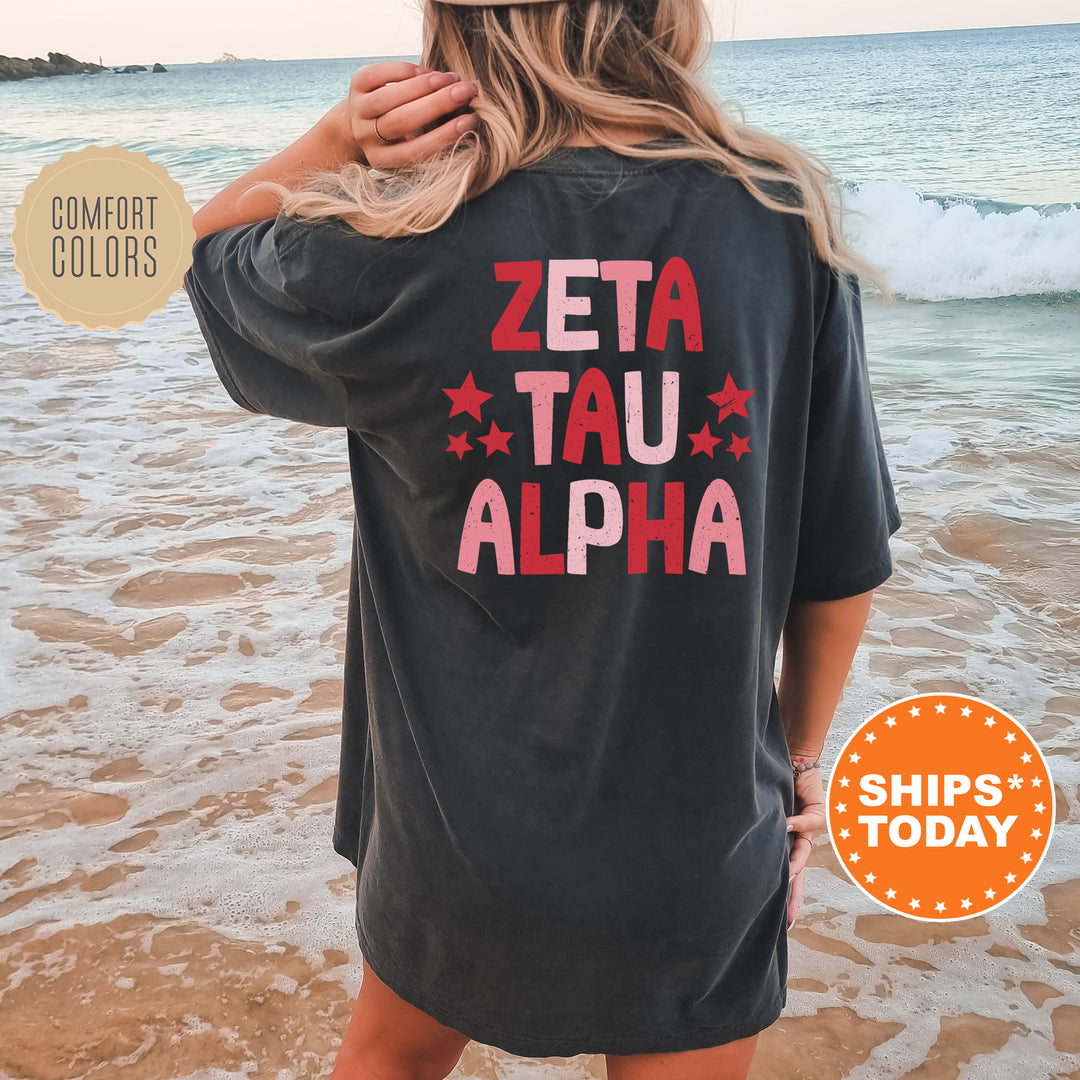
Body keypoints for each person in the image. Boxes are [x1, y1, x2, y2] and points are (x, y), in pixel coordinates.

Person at [182, 1, 903, 1077]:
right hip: (698, 835)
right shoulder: (780, 219)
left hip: (455, 836)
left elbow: (203, 252)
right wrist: (801, 764)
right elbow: (841, 562)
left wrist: (339, 142)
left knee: (387, 1058)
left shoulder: (396, 237)